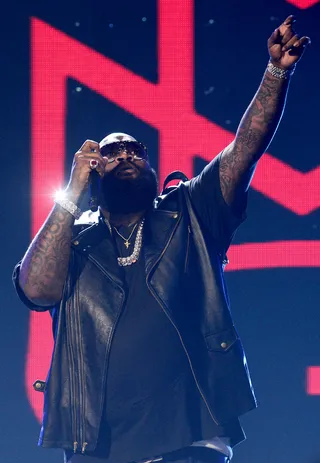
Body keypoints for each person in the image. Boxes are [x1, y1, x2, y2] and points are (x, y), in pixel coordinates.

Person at [13, 16, 310, 463]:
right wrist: (71, 193)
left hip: (192, 438)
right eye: (111, 153)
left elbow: (245, 147)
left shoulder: (191, 211)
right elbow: (36, 291)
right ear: (93, 173)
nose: (126, 154)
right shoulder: (74, 240)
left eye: (135, 150)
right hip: (97, 446)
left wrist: (275, 73)